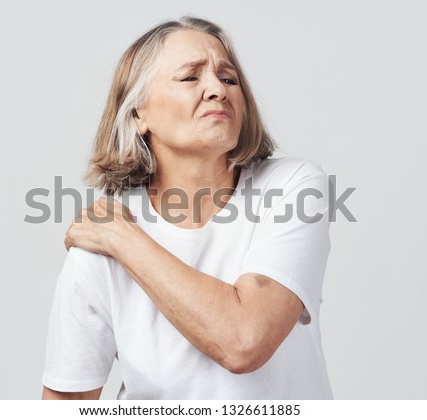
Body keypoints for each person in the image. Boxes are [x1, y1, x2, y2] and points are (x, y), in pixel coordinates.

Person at [42, 16, 333, 400]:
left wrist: (125, 241)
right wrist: (115, 237)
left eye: (229, 79)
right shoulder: (98, 247)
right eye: (190, 77)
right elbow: (68, 401)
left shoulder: (292, 187)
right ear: (137, 114)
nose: (217, 89)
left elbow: (244, 341)